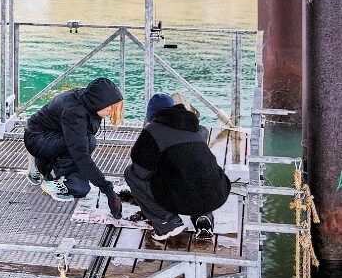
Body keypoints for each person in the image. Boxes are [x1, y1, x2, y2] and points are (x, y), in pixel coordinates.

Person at [125, 93, 227, 241]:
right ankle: (203, 216)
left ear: (151, 115)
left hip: (183, 199)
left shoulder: (153, 130)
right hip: (217, 193)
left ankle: (168, 223)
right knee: (197, 171)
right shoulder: (197, 128)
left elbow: (141, 172)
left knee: (131, 173)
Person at [24, 77, 124, 218]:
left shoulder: (89, 102)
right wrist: (107, 189)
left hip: (56, 136)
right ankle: (50, 178)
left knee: (81, 187)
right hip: (37, 138)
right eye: (108, 107)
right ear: (97, 101)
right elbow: (80, 153)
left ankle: (44, 162)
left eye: (113, 108)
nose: (110, 112)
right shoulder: (75, 112)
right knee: (87, 143)